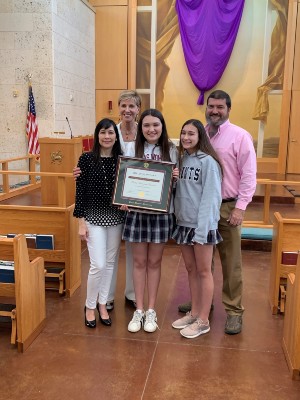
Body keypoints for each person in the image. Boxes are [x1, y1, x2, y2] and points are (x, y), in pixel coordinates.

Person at [178, 90, 257, 335]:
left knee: (230, 262)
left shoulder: (240, 136)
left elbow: (249, 175)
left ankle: (234, 311)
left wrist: (240, 208)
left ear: (228, 109)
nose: (214, 111)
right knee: (202, 262)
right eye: (211, 106)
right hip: (198, 206)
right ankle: (202, 304)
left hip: (227, 206)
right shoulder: (198, 133)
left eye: (220, 107)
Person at [73, 90, 141, 311]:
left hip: (138, 200)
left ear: (138, 109)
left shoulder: (146, 132)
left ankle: (131, 293)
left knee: (132, 252)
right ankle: (105, 298)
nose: (127, 110)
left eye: (132, 106)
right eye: (124, 106)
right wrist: (81, 172)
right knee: (104, 260)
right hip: (108, 206)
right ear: (119, 109)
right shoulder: (113, 132)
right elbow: (92, 169)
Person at [122, 108, 178, 333]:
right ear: (140, 127)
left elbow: (175, 184)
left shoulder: (172, 150)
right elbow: (123, 178)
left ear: (162, 126)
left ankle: (151, 310)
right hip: (136, 213)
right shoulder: (130, 147)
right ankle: (139, 308)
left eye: (155, 125)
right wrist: (123, 196)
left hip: (161, 214)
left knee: (154, 263)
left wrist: (176, 177)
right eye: (146, 125)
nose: (151, 129)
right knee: (138, 263)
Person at [171, 119, 223, 339]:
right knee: (191, 270)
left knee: (204, 271)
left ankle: (203, 320)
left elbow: (211, 198)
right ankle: (193, 312)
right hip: (184, 223)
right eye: (183, 133)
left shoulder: (208, 162)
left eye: (191, 133)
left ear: (200, 136)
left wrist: (202, 230)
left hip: (202, 226)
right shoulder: (183, 159)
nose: (186, 137)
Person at [73, 118, 124, 328]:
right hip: (93, 217)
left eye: (111, 132)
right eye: (103, 132)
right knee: (98, 264)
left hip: (115, 218)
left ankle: (103, 304)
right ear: (97, 135)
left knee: (110, 264)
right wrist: (81, 222)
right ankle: (90, 306)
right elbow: (80, 191)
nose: (107, 136)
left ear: (115, 135)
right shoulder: (86, 159)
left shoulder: (122, 160)